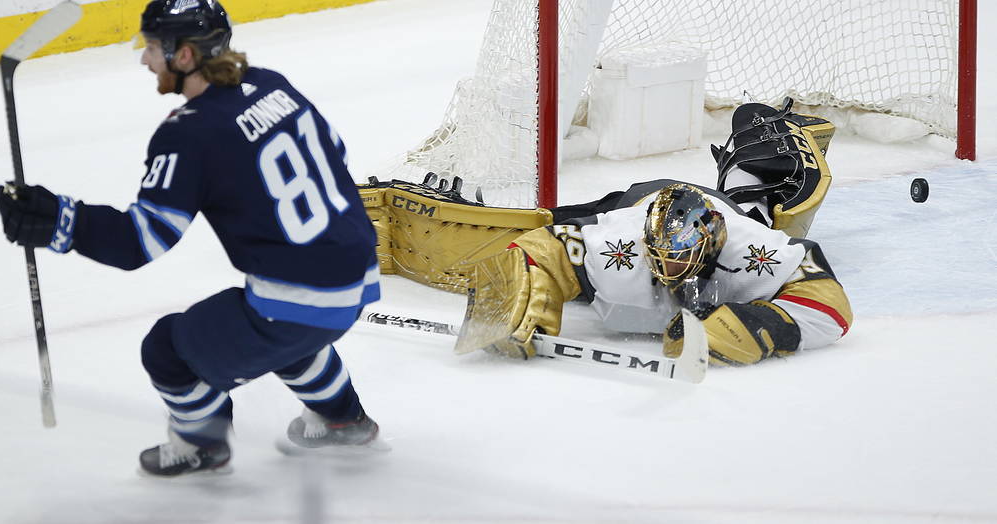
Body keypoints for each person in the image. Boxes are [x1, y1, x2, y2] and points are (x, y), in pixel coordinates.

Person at [0, 0, 382, 476]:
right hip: (359, 275)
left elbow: (141, 242)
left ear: (184, 55)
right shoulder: (271, 84)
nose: (144, 58)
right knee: (287, 335)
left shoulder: (188, 132)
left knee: (166, 349)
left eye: (153, 47)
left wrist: (56, 220)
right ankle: (344, 422)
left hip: (304, 297)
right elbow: (337, 156)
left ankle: (203, 445)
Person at [361, 100, 851, 367]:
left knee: (759, 208)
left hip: (721, 210)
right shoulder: (616, 242)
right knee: (547, 223)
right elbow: (536, 248)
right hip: (631, 204)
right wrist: (508, 305)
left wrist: (744, 329)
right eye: (665, 262)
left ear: (715, 248)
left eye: (685, 263)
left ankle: (769, 140)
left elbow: (831, 306)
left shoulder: (751, 247)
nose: (674, 273)